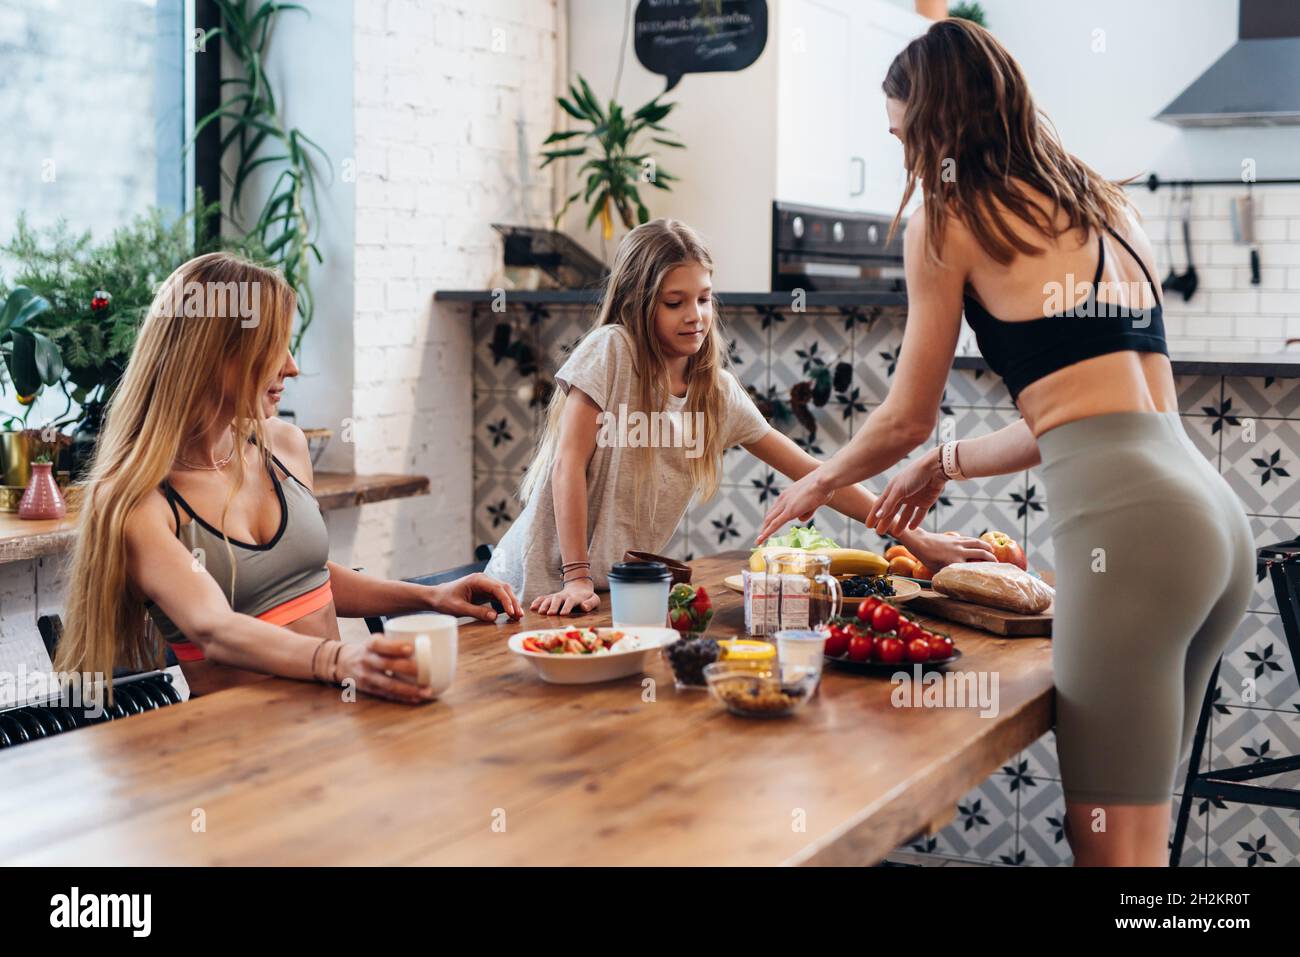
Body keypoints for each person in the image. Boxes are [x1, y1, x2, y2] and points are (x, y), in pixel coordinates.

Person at [756, 19, 1253, 866]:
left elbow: (906, 413)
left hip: (1132, 541)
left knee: (1115, 861)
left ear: (936, 122)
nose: (905, 157)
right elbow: (1083, 413)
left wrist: (815, 482)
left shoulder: (949, 221)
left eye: (904, 134)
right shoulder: (1105, 202)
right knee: (1144, 853)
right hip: (1212, 530)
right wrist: (945, 461)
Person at [55, 252, 522, 703]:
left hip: (333, 720)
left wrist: (433, 597)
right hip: (241, 746)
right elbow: (212, 628)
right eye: (273, 346)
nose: (293, 366)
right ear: (214, 356)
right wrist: (341, 660)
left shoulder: (283, 446)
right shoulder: (138, 501)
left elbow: (309, 578)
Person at [486, 218, 994, 613]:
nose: (696, 316)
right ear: (640, 303)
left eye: (704, 299)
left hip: (608, 593)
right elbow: (566, 465)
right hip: (536, 585)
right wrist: (575, 574)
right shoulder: (611, 351)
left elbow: (820, 478)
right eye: (675, 302)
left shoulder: (715, 393)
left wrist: (918, 540)